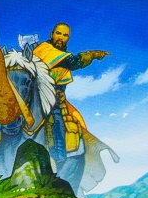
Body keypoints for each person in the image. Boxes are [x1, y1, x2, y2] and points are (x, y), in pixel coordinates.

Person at [32, 23, 108, 188]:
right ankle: (59, 158)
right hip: (41, 98)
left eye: (65, 35)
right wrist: (92, 54)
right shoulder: (45, 50)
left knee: (72, 119)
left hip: (57, 99)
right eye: (58, 34)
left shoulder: (59, 53)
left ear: (68, 38)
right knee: (56, 120)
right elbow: (73, 62)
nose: (61, 38)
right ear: (52, 34)